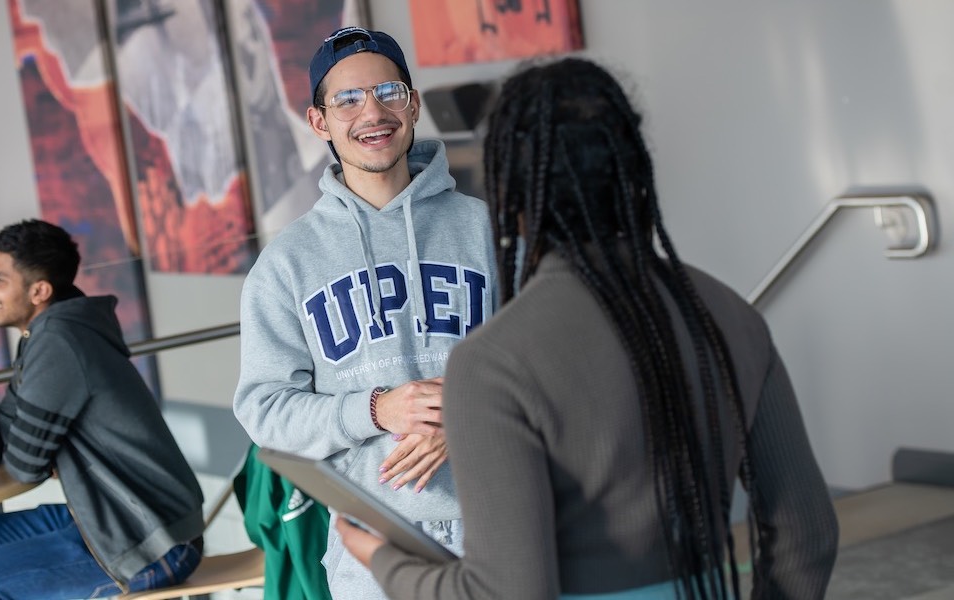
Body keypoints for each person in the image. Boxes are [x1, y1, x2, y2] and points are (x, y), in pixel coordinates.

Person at [337, 58, 840, 599]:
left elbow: (507, 592)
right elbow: (806, 535)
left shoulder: (495, 363)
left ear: (511, 185)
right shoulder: (727, 315)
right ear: (632, 168)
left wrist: (385, 562)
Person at [233, 26, 497, 600]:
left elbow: (547, 363)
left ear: (414, 103)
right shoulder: (285, 266)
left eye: (389, 93)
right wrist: (377, 409)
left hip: (502, 524)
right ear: (319, 122)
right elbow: (265, 411)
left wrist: (468, 408)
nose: (372, 112)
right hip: (372, 549)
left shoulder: (488, 230)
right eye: (347, 99)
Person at [0, 219, 205, 599]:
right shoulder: (44, 337)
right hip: (103, 515)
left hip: (150, 538)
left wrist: (41, 452)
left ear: (39, 290)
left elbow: (21, 465)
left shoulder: (60, 342)